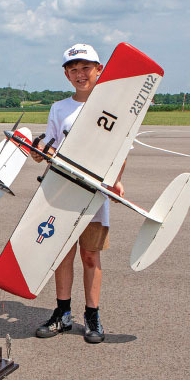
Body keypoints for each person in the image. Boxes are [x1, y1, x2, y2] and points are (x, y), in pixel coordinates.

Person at [31, 43, 125, 343]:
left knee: (90, 256)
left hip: (94, 196)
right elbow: (52, 146)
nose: (80, 74)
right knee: (62, 255)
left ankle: (93, 315)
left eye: (86, 68)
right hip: (61, 192)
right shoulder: (59, 108)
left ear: (99, 70)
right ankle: (62, 313)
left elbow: (121, 151)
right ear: (66, 75)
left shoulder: (112, 106)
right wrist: (40, 153)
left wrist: (116, 180)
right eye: (73, 69)